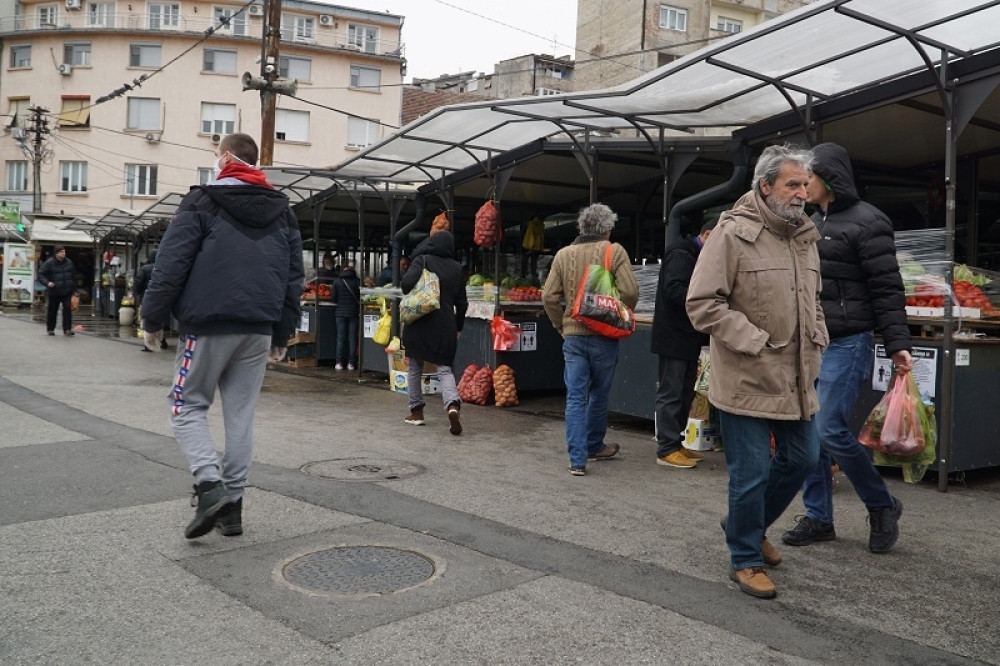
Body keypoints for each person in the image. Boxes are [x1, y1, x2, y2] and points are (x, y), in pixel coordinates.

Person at [140, 132, 303, 540]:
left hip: (208, 324)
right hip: (258, 328)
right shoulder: (283, 211)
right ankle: (233, 511)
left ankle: (210, 486)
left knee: (186, 404)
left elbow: (171, 264)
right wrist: (282, 333)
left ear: (226, 158)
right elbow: (292, 278)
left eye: (216, 155)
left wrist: (152, 317)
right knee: (240, 415)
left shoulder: (201, 201)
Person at [686, 144, 827, 599]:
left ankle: (744, 523)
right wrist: (753, 340)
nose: (802, 193)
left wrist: (818, 335)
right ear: (765, 187)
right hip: (746, 375)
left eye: (805, 184)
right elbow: (702, 303)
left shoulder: (804, 237)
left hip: (794, 376)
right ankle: (745, 557)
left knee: (802, 458)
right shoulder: (732, 234)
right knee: (750, 474)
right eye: (792, 184)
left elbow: (812, 301)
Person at [781, 142, 911, 554]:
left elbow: (887, 287)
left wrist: (898, 344)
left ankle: (882, 504)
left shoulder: (869, 221)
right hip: (812, 341)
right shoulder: (810, 221)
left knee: (828, 428)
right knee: (808, 431)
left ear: (829, 178)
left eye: (809, 178)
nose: (803, 187)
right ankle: (819, 517)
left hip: (849, 340)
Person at [542, 203, 639, 476]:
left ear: (581, 227)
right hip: (604, 336)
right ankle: (594, 445)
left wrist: (561, 324)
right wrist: (618, 313)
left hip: (573, 336)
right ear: (607, 229)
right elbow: (630, 291)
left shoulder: (563, 255)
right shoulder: (614, 251)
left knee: (575, 397)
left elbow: (548, 296)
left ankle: (577, 460)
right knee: (599, 393)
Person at [650, 217, 716, 469]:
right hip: (674, 337)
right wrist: (706, 302)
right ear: (707, 235)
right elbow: (674, 290)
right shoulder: (681, 254)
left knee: (685, 392)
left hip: (687, 337)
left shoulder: (694, 255)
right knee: (672, 392)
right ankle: (667, 448)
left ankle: (676, 444)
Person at [400, 229, 468, 436]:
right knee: (445, 369)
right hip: (445, 325)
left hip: (419, 321)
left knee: (414, 366)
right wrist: (458, 327)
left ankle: (417, 412)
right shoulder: (457, 269)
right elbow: (462, 304)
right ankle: (452, 406)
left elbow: (405, 285)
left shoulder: (422, 260)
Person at [133, 250, 168, 352]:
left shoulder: (144, 268)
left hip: (145, 298)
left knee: (146, 320)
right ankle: (162, 340)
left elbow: (138, 283)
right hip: (160, 298)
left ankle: (148, 344)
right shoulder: (163, 268)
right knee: (158, 319)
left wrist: (137, 293)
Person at [38, 245, 76, 336]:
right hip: (54, 290)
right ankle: (50, 328)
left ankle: (67, 329)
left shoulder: (69, 262)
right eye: (62, 252)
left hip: (66, 290)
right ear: (56, 253)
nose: (64, 253)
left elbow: (73, 276)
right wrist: (47, 282)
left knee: (67, 308)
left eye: (64, 251)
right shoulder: (49, 263)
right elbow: (41, 274)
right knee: (52, 310)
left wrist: (74, 289)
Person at [332, 261, 362, 370]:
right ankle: (351, 363)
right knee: (352, 338)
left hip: (340, 313)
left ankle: (339, 362)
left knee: (340, 338)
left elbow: (333, 298)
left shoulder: (336, 282)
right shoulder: (357, 282)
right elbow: (360, 297)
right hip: (353, 313)